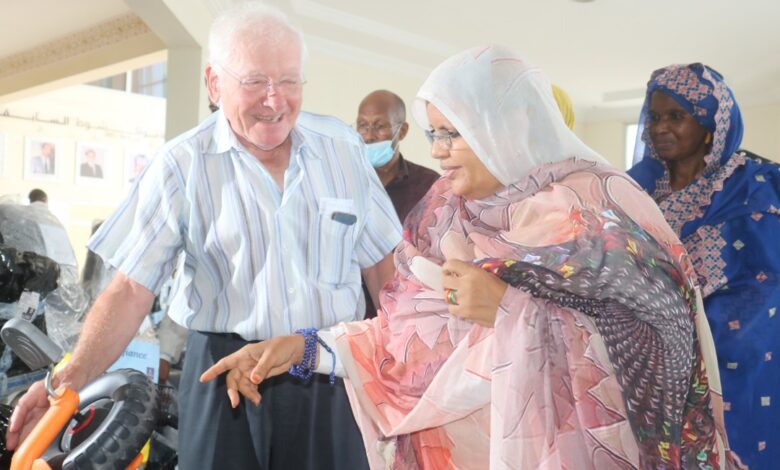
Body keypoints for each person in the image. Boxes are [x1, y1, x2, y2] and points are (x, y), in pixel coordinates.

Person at [202, 46, 729, 469]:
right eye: (434, 133)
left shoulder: (594, 205)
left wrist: (511, 308)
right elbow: (404, 340)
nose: (437, 150)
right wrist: (304, 348)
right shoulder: (444, 216)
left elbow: (667, 336)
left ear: (506, 127)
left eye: (453, 134)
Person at [7, 4, 401, 470]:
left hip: (326, 377)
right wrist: (64, 384)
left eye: (288, 81)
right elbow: (131, 289)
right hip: (222, 378)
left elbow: (385, 270)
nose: (274, 100)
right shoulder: (181, 164)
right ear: (215, 83)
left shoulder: (341, 149)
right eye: (254, 81)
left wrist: (403, 372)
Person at [627, 63, 780, 469]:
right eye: (654, 116)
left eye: (676, 116)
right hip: (648, 364)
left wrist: (698, 332)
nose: (661, 128)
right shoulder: (633, 191)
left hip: (739, 366)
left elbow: (766, 283)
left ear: (710, 125)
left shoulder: (756, 186)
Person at [355, 90, 439, 318]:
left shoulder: (428, 185)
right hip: (351, 314)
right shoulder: (343, 182)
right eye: (362, 125)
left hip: (406, 312)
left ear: (402, 131)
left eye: (379, 126)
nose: (369, 136)